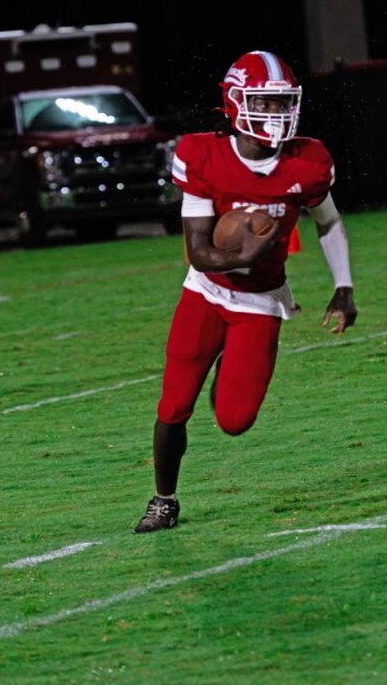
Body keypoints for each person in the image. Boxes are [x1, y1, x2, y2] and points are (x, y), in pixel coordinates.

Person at [134, 50, 357, 533]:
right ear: (235, 103)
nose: (276, 116)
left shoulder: (308, 162)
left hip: (261, 301)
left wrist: (344, 286)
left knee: (235, 420)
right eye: (265, 103)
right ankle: (163, 499)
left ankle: (227, 370)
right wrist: (242, 257)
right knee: (173, 405)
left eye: (282, 104)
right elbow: (197, 250)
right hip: (207, 292)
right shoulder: (204, 156)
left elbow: (330, 221)